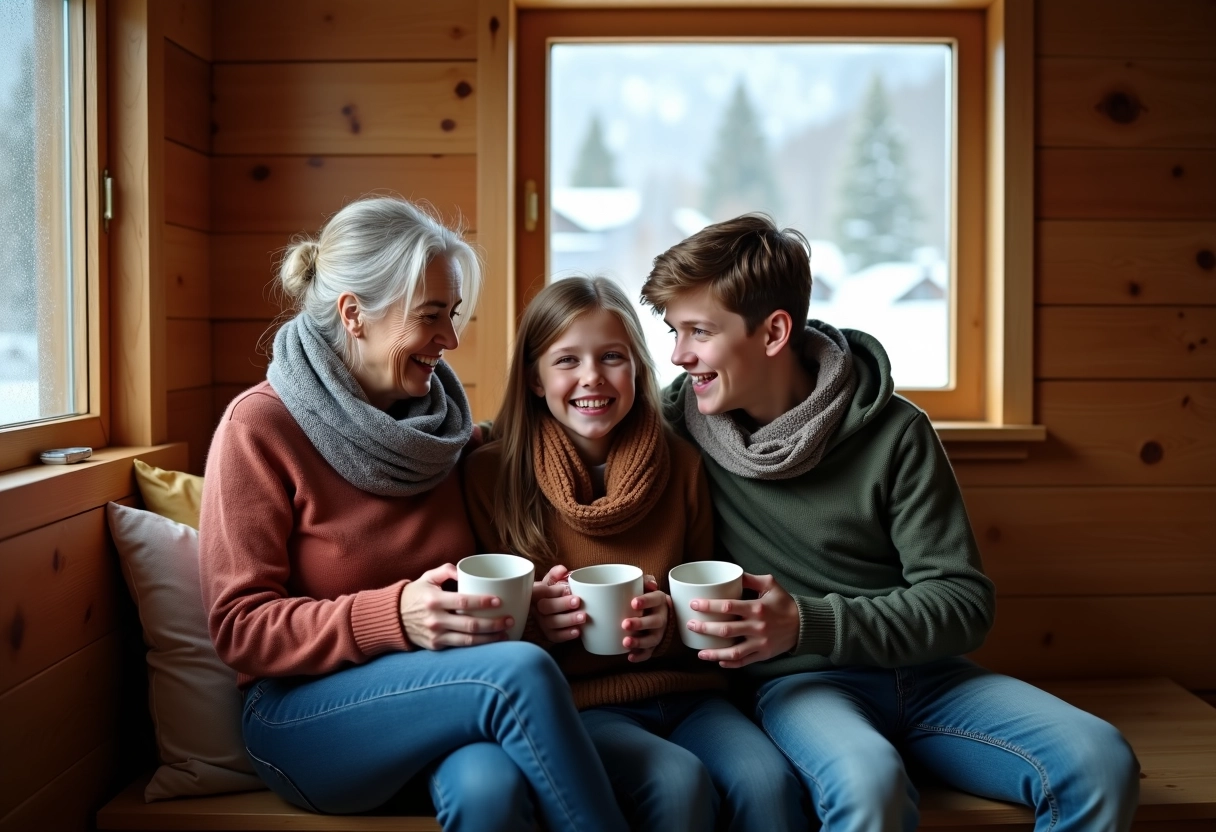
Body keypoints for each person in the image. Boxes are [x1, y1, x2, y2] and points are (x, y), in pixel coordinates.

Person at [639, 214, 1141, 832]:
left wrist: (808, 621)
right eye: (675, 331)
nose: (678, 354)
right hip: (804, 687)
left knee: (1100, 760)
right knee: (868, 782)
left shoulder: (896, 433)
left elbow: (963, 602)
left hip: (931, 680)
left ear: (774, 332)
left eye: (699, 331)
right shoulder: (678, 427)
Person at [199, 198, 628, 832]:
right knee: (519, 674)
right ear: (354, 314)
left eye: (452, 315)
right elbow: (240, 628)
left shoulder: (446, 434)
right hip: (299, 714)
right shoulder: (259, 427)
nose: (450, 340)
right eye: (430, 316)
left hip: (440, 694)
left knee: (489, 789)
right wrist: (394, 615)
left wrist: (527, 610)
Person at [463, 276, 807, 832]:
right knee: (675, 781)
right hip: (575, 704)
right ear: (534, 377)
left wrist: (667, 624)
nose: (592, 377)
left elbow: (704, 598)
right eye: (566, 360)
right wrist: (536, 623)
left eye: (612, 357)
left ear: (638, 369)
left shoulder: (683, 463)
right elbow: (478, 628)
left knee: (767, 782)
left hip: (692, 696)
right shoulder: (490, 476)